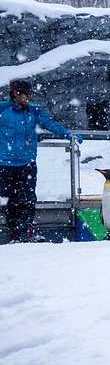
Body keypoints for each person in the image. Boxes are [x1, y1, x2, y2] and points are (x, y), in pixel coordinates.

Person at [1, 80, 84, 243]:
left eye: (31, 93)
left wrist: (68, 135)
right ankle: (13, 232)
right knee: (8, 199)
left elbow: (50, 123)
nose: (30, 97)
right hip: (4, 164)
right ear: (16, 93)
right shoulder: (2, 109)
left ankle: (26, 231)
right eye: (27, 94)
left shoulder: (34, 110)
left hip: (27, 163)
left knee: (28, 198)